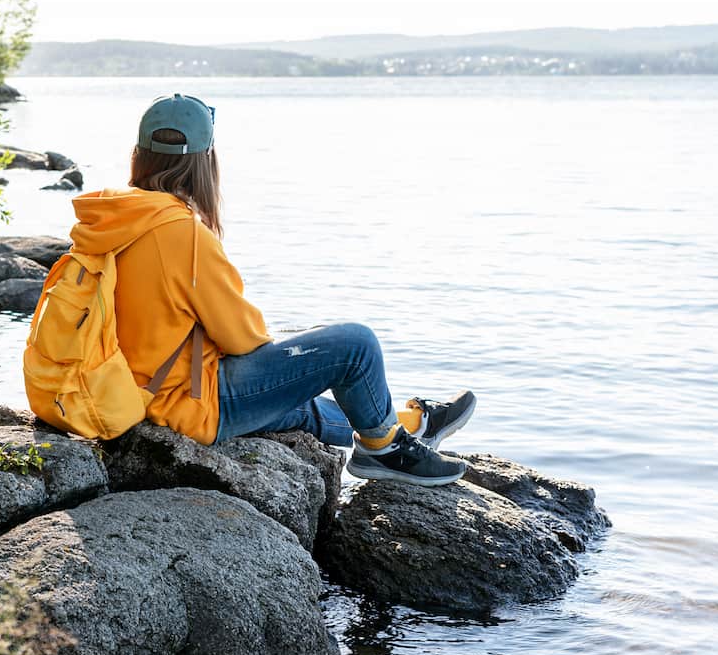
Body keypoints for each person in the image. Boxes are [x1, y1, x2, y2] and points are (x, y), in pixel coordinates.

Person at [66, 93, 476, 485]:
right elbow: (242, 338)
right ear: (204, 162)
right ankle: (384, 450)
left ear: (139, 155)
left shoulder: (111, 219)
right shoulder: (181, 234)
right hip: (185, 404)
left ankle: (412, 425)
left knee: (302, 404)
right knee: (354, 345)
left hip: (129, 389)